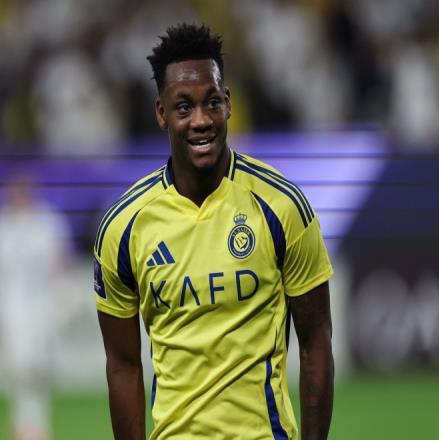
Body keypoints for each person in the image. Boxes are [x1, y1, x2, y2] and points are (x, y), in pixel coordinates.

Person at [94, 23, 334, 440]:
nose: (201, 120)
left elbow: (316, 344)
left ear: (228, 103)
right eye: (184, 107)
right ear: (161, 113)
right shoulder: (123, 226)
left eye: (212, 102)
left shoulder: (282, 206)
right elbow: (123, 366)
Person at [0, 172, 71, 440]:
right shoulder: (5, 225)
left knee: (39, 370)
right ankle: (26, 427)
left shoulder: (47, 222)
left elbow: (60, 264)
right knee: (20, 369)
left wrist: (62, 302)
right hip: (13, 306)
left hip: (43, 304)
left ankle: (35, 426)